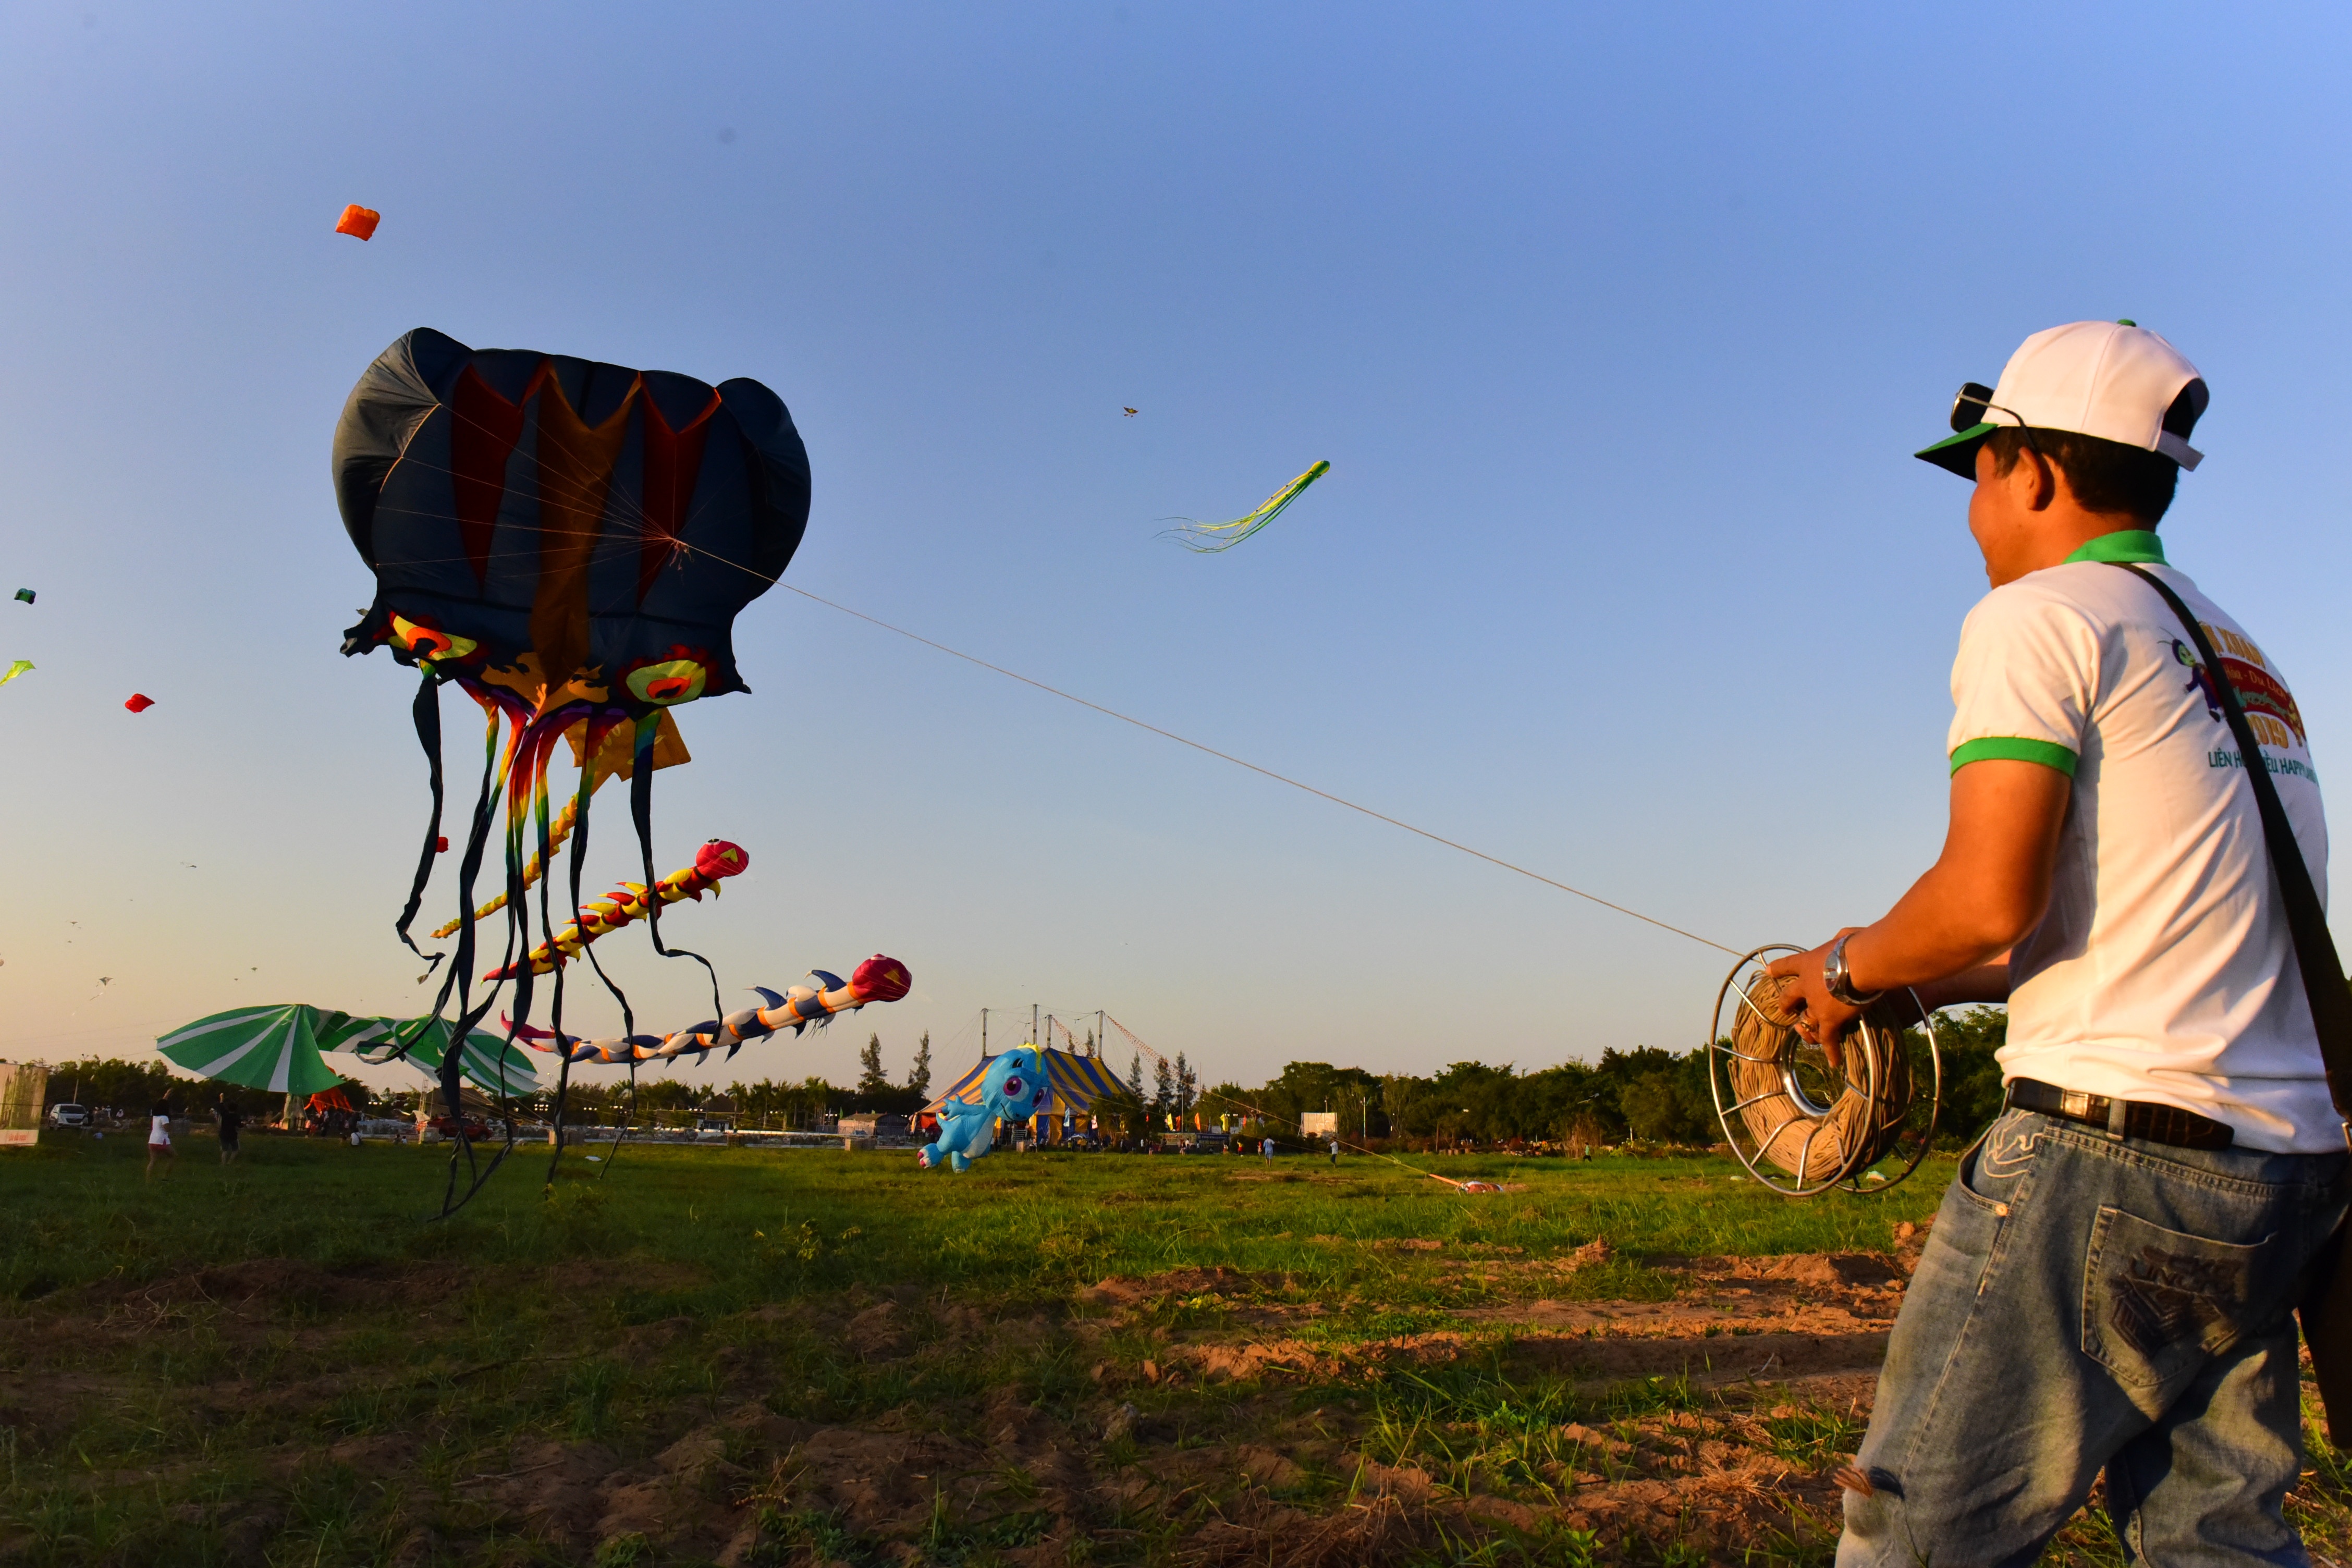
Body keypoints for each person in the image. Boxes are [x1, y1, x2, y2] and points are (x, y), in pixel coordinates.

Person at [1767, 321, 2343, 1564]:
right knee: (2217, 1541)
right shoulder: (2236, 652)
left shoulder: (2039, 616)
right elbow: (2128, 927)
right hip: (2276, 1177)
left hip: (2107, 1161)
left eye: (1976, 472)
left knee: (1915, 1537)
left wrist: (1846, 966)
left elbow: (1982, 897)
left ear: (2027, 469)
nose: (1973, 510)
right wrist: (1908, 997)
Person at [144, 1100, 175, 1181]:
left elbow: (162, 1102)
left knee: (153, 1161)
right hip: (161, 1140)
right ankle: (165, 1178)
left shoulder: (155, 1117)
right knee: (173, 1156)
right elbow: (167, 1129)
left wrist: (167, 1094)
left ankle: (148, 1180)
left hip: (152, 1140)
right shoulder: (164, 1118)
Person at [214, 1096, 242, 1165]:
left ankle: (223, 1164)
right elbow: (240, 1126)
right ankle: (229, 1163)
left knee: (225, 1151)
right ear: (236, 1109)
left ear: (228, 1108)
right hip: (233, 1135)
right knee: (235, 1150)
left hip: (223, 1135)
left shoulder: (225, 1114)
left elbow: (221, 1107)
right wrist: (245, 1124)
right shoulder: (236, 1116)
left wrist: (222, 1098)